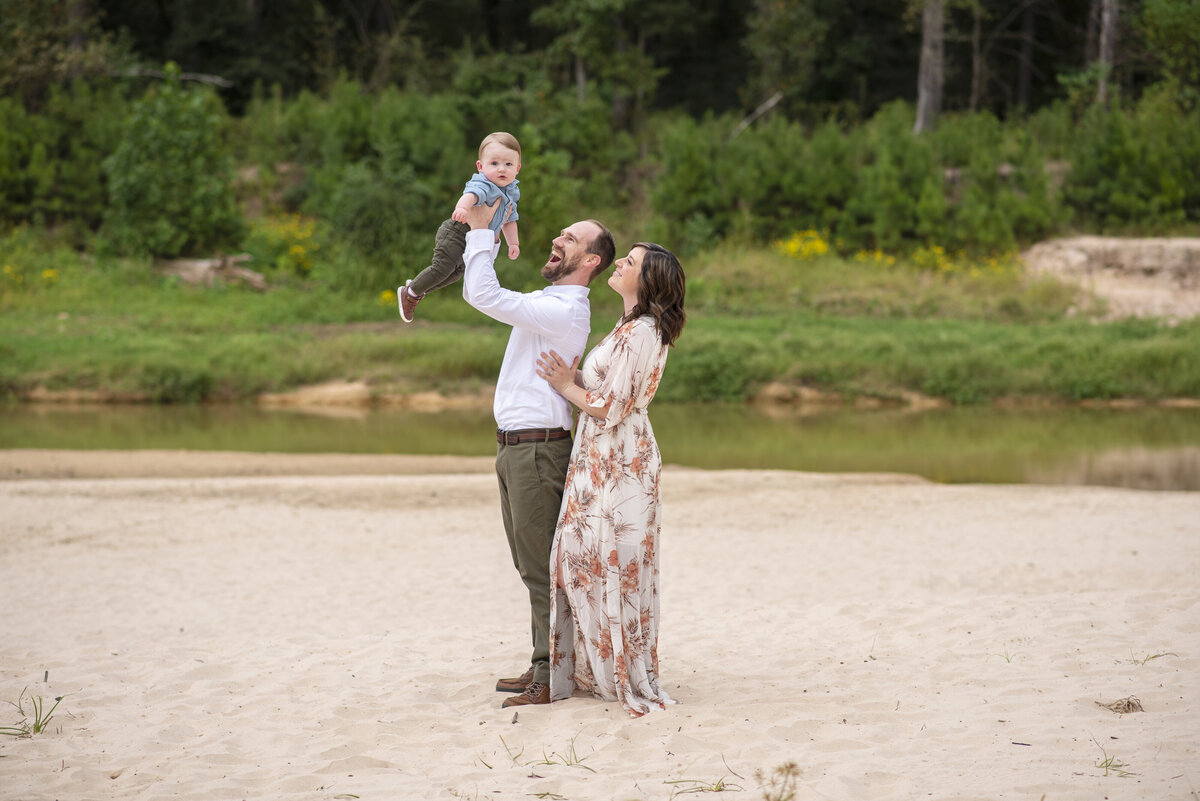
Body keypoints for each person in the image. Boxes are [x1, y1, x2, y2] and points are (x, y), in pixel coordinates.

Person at [460, 197, 616, 708]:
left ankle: (550, 676)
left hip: (536, 452)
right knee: (530, 563)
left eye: (570, 239)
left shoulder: (562, 310)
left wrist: (481, 230)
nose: (558, 240)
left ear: (591, 260)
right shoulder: (548, 304)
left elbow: (481, 293)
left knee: (540, 568)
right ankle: (541, 661)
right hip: (516, 448)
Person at [534, 242, 686, 718]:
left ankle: (616, 672)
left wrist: (564, 386)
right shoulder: (628, 327)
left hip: (619, 456)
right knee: (583, 556)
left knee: (610, 561)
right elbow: (607, 388)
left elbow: (612, 407)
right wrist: (574, 376)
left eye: (631, 263)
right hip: (602, 453)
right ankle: (596, 667)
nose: (620, 263)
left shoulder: (642, 331)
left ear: (648, 281)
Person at [398, 132, 523, 322]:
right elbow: (472, 195)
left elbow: (510, 218)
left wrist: (513, 243)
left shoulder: (512, 192)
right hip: (458, 232)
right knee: (443, 267)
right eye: (494, 164)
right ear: (481, 167)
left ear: (518, 168)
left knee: (455, 274)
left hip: (475, 240)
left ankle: (414, 289)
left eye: (508, 164)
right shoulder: (484, 183)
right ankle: (410, 293)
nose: (501, 169)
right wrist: (462, 207)